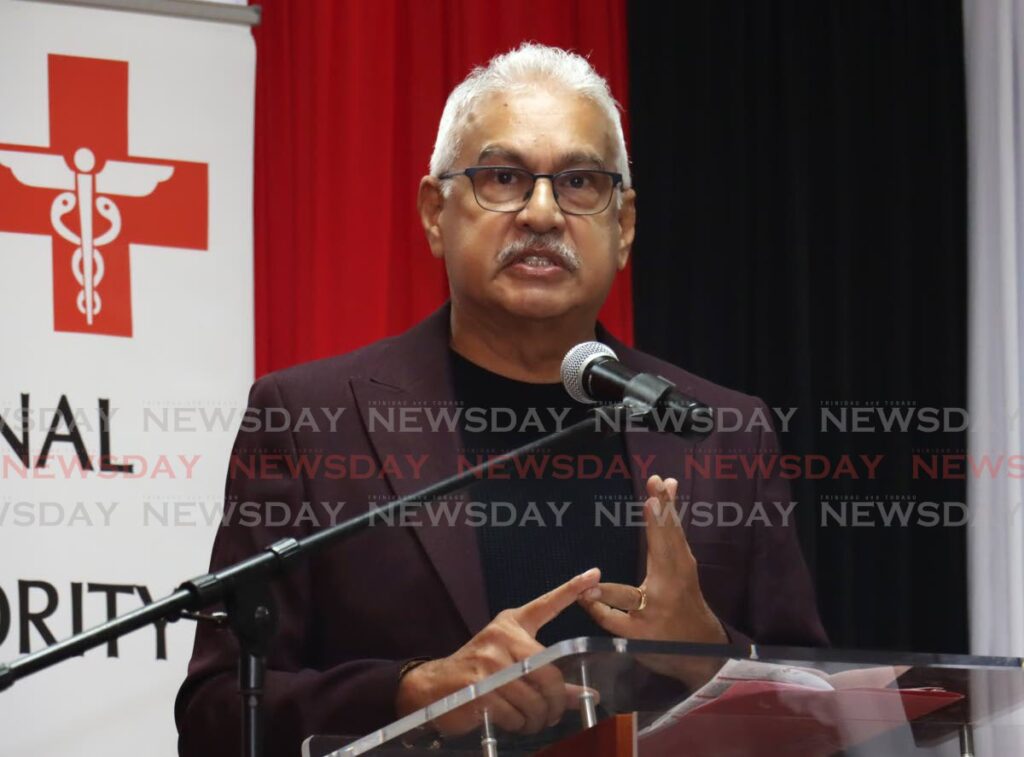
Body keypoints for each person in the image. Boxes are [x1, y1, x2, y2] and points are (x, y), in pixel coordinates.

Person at [175, 42, 826, 755]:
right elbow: (215, 717)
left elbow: (820, 715)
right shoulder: (310, 420)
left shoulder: (724, 432)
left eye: (579, 181)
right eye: (504, 177)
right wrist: (418, 690)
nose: (542, 213)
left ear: (625, 225)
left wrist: (705, 652)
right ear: (434, 211)